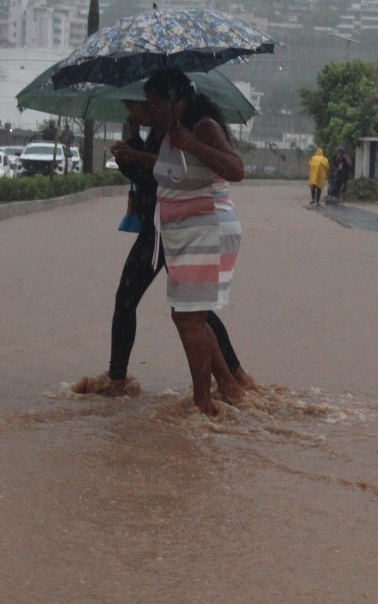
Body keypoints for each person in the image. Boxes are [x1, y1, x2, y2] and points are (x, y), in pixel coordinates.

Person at [71, 96, 254, 399]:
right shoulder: (160, 133)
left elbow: (169, 175)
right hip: (161, 226)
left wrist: (135, 151)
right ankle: (229, 380)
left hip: (174, 229)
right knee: (187, 311)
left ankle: (225, 382)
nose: (137, 112)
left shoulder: (184, 131)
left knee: (188, 311)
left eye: (141, 105)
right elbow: (151, 175)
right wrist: (130, 148)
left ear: (170, 103)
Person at [144, 68, 249, 417]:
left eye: (158, 103)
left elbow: (236, 168)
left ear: (179, 100)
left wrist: (191, 142)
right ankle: (229, 389)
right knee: (189, 317)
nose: (152, 110)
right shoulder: (166, 131)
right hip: (183, 233)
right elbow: (173, 171)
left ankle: (203, 405)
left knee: (188, 319)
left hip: (207, 226)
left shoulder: (203, 126)